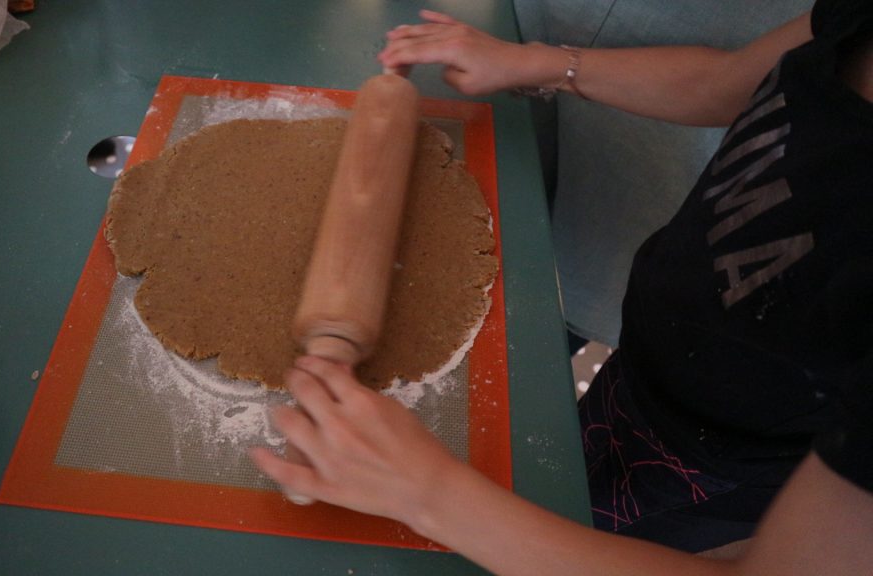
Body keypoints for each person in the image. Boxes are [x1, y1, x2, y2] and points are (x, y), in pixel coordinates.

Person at [250, 1, 873, 572]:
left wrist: (429, 494)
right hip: (650, 368)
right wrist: (543, 64)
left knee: (570, 525)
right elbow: (730, 81)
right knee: (560, 472)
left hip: (715, 464)